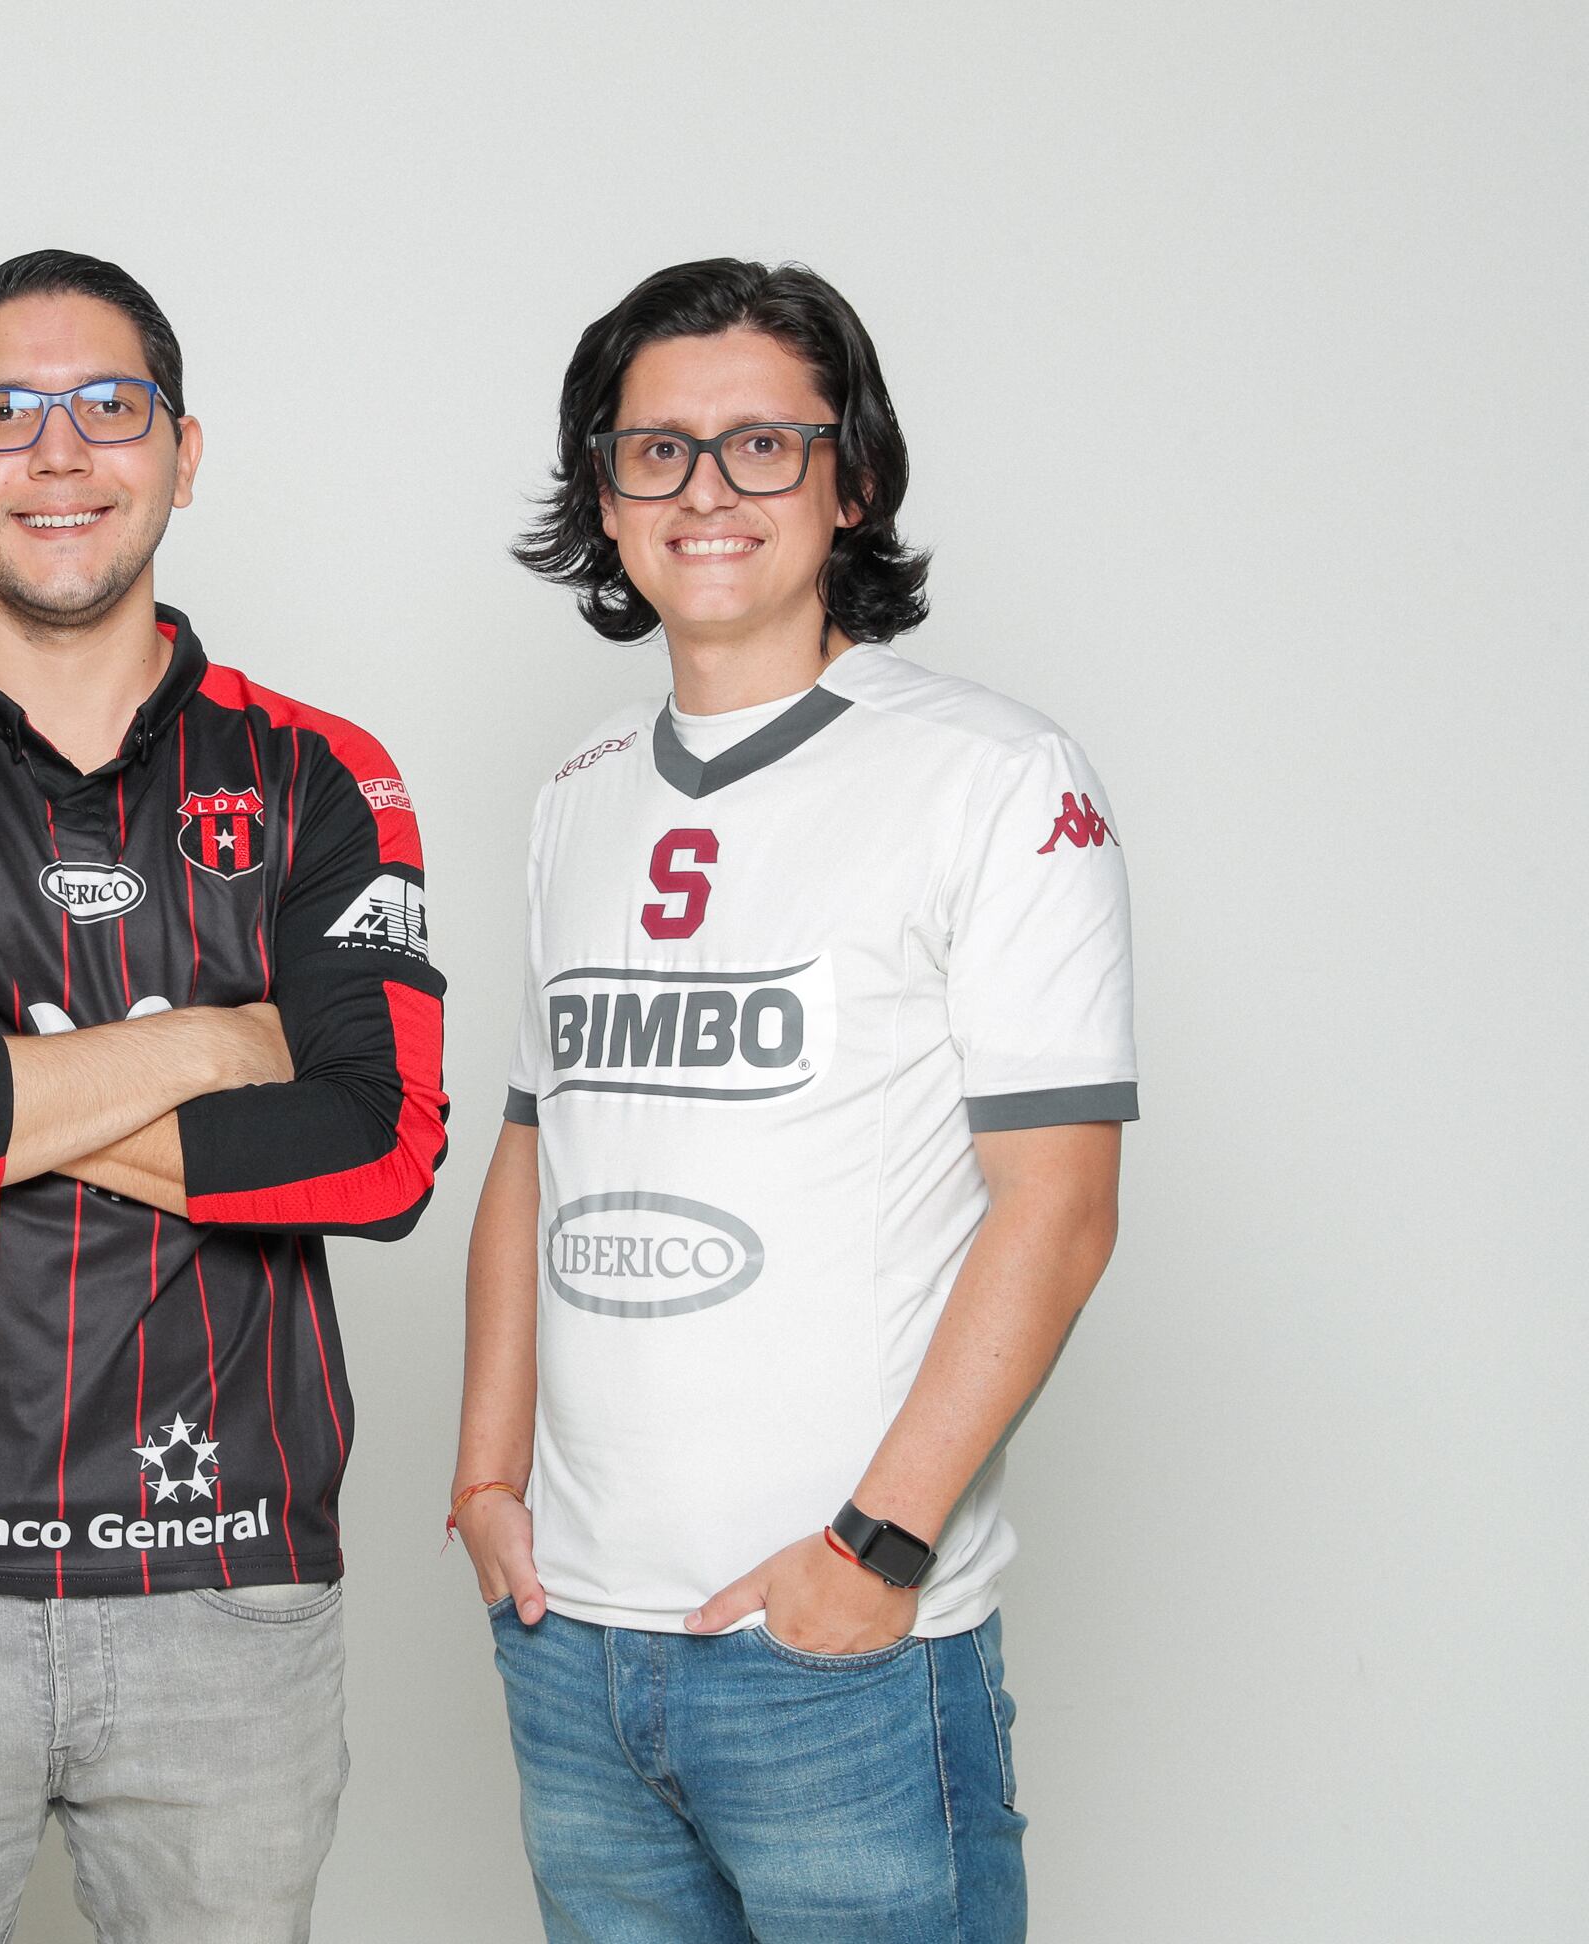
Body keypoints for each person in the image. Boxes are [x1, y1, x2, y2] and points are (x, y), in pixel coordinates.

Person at [0, 249, 448, 1943]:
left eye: (110, 407)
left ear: (185, 452)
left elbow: (381, 1150)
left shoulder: (322, 771)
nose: (58, 452)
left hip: (232, 1585)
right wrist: (220, 1041)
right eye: (2, 414)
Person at [450, 258, 1136, 1942]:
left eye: (763, 445)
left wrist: (876, 1552)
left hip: (835, 1650)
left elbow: (1058, 1209)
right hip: (573, 1645)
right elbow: (533, 1154)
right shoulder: (576, 795)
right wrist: (482, 1483)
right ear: (604, 493)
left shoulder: (992, 776)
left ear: (855, 479)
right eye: (656, 450)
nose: (706, 491)